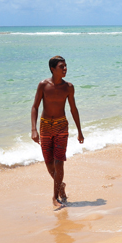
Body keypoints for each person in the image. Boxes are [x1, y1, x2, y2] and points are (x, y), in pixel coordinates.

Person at [31, 56, 85, 209]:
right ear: (53, 69)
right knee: (49, 163)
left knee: (59, 162)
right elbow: (35, 107)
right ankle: (61, 186)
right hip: (45, 126)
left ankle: (55, 197)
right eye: (62, 66)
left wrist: (80, 131)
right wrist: (34, 129)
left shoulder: (68, 87)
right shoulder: (43, 85)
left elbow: (73, 109)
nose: (65, 69)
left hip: (62, 125)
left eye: (66, 66)